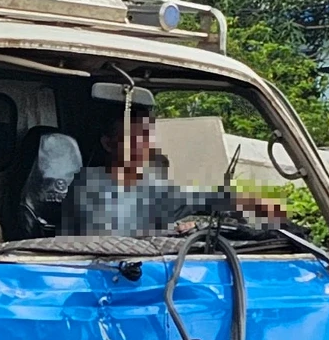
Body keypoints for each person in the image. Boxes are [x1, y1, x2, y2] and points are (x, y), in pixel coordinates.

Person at [62, 94, 286, 237]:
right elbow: (116, 237)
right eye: (134, 138)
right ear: (109, 143)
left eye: (147, 138)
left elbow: (195, 199)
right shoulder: (88, 185)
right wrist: (175, 230)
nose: (144, 146)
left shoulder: (150, 184)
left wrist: (248, 200)